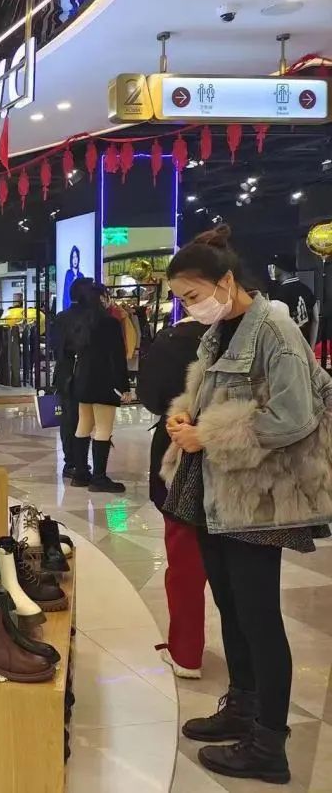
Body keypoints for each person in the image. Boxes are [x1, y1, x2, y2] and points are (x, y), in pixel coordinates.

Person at [163, 224, 332, 784]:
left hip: (260, 496)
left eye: (192, 295)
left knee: (259, 616)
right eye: (182, 299)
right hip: (216, 493)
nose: (189, 307)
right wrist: (185, 416)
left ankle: (268, 744)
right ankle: (242, 705)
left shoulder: (275, 328)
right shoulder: (220, 332)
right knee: (231, 606)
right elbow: (211, 395)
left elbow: (295, 416)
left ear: (226, 281)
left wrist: (208, 435)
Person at [137, 314, 209, 679]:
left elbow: (150, 396)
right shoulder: (254, 333)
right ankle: (249, 664)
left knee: (185, 564)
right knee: (241, 575)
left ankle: (186, 652)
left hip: (180, 454)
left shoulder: (173, 341)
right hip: (243, 466)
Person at [69, 282, 129, 492]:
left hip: (82, 379)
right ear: (102, 298)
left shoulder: (80, 323)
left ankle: (80, 474)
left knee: (83, 424)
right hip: (104, 380)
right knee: (103, 427)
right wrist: (124, 386)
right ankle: (99, 478)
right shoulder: (109, 323)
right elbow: (118, 357)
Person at [50, 277, 93, 478]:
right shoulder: (90, 318)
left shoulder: (61, 317)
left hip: (65, 373)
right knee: (83, 418)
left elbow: (55, 346)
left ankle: (72, 461)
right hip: (82, 373)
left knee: (68, 419)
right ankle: (79, 461)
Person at [267, 253, 317, 345]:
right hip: (305, 346)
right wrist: (311, 347)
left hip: (289, 347)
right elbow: (315, 320)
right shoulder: (307, 290)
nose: (271, 269)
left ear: (281, 268)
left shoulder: (278, 294)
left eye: (274, 266)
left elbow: (275, 327)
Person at [62, 245, 85, 310]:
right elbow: (66, 294)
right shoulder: (68, 274)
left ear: (78, 259)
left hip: (80, 310)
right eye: (73, 257)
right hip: (69, 309)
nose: (75, 260)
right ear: (71, 259)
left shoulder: (81, 276)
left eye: (76, 257)